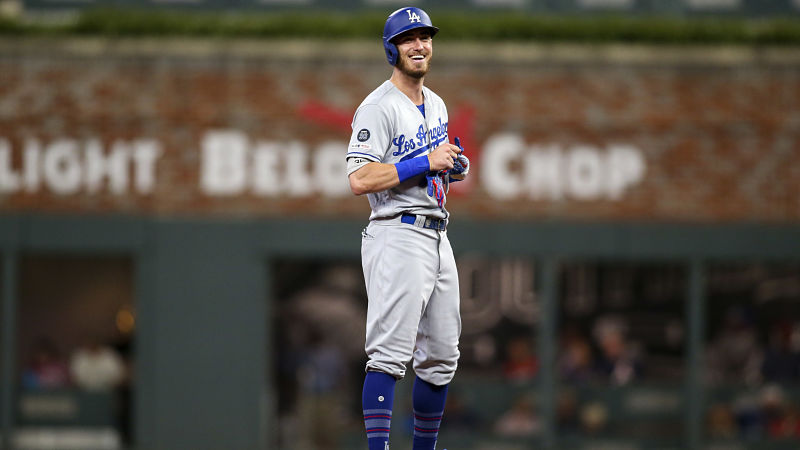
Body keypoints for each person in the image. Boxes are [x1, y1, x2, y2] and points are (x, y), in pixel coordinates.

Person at [346, 7, 470, 450]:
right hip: (396, 231)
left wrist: (449, 167)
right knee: (389, 355)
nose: (419, 45)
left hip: (436, 232)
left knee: (441, 358)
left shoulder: (436, 103)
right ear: (391, 49)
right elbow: (359, 178)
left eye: (425, 37)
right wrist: (424, 161)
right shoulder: (377, 107)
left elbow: (429, 166)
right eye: (408, 39)